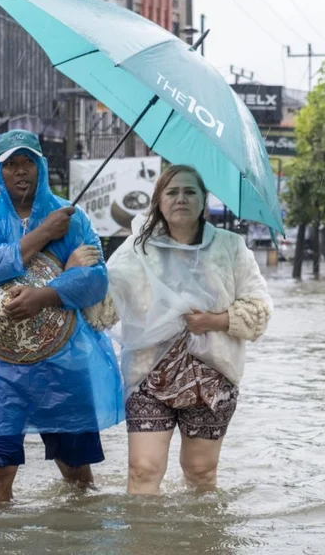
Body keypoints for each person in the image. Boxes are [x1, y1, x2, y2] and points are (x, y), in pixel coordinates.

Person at [0, 130, 123, 503]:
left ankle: (77, 537)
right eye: (11, 163)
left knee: (77, 470)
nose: (20, 171)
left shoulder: (73, 218)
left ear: (41, 166)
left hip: (64, 363)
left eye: (27, 162)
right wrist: (46, 236)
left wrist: (44, 295)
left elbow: (95, 281)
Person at [84, 165, 272, 495]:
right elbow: (101, 314)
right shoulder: (136, 249)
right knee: (142, 471)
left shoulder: (230, 248)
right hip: (148, 376)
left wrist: (215, 321)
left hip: (212, 378)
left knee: (200, 474)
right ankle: (145, 543)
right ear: (158, 202)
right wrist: (85, 274)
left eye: (189, 192)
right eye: (172, 192)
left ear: (204, 201)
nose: (180, 199)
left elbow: (260, 311)